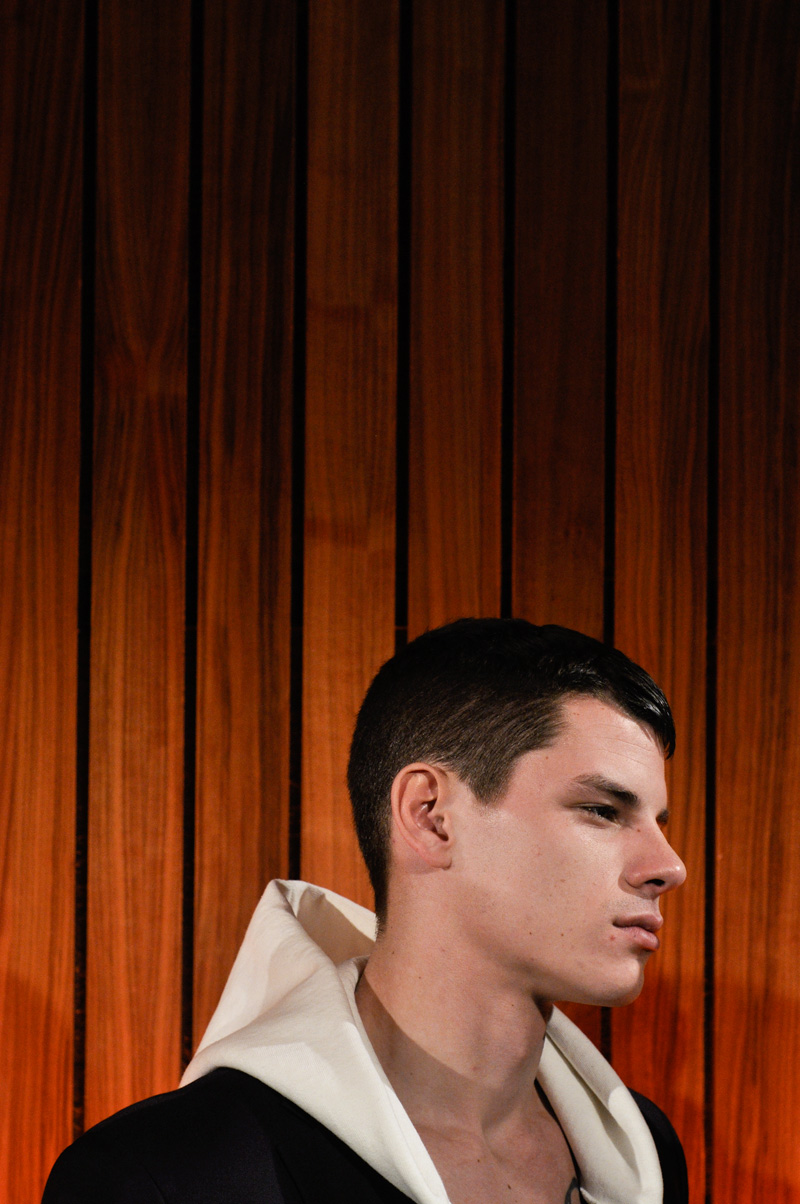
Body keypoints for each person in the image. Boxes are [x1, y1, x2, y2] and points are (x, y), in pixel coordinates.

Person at [43, 618, 689, 1203]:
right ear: (430, 817)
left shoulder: (650, 1155)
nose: (669, 866)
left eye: (658, 822)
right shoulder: (161, 1179)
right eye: (603, 811)